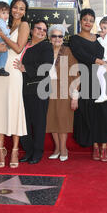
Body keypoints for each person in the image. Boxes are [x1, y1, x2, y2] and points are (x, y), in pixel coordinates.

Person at [0, 0, 30, 168]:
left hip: (13, 69)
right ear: (10, 9)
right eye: (15, 8)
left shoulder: (24, 26)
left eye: (22, 8)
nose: (17, 11)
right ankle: (1, 149)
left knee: (14, 107)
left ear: (25, 12)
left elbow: (18, 48)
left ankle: (15, 150)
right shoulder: (3, 23)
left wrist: (2, 35)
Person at [70, 8, 107, 161]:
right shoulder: (74, 39)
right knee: (92, 113)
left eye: (91, 20)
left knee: (105, 113)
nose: (88, 22)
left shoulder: (99, 37)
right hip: (87, 79)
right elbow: (81, 55)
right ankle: (95, 146)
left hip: (105, 78)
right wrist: (98, 61)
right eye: (85, 19)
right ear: (80, 21)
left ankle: (105, 147)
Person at [14, 20, 54, 164]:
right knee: (24, 122)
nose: (41, 32)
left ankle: (37, 153)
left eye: (44, 30)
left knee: (38, 122)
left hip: (39, 89)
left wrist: (26, 68)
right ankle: (28, 151)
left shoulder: (46, 46)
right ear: (31, 30)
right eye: (38, 28)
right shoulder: (24, 45)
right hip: (22, 89)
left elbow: (46, 66)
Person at [45, 25, 80, 161]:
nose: (57, 39)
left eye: (60, 36)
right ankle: (57, 148)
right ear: (49, 38)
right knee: (51, 118)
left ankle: (64, 148)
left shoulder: (67, 51)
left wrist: (75, 96)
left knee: (62, 119)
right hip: (47, 88)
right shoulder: (45, 50)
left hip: (65, 88)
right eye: (54, 36)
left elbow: (76, 73)